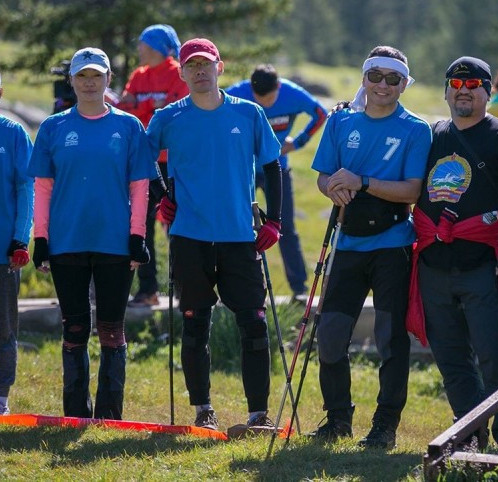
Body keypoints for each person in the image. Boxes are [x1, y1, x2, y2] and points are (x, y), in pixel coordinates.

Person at [146, 37, 283, 434]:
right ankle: (203, 410)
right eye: (192, 66)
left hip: (241, 236)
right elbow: (143, 159)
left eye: (206, 64)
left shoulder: (250, 113)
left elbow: (273, 166)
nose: (200, 71)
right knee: (194, 326)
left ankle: (259, 414)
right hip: (190, 238)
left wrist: (274, 220)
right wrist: (161, 197)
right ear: (182, 72)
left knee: (254, 327)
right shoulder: (169, 117)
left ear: (220, 67)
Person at [309, 46, 431, 450]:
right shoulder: (341, 121)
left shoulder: (416, 129)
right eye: (375, 76)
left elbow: (413, 191)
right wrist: (333, 187)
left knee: (390, 340)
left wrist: (360, 181)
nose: (382, 85)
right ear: (364, 78)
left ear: (404, 84)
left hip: (393, 246)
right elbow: (323, 177)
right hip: (348, 244)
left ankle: (384, 427)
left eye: (392, 79)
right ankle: (337, 420)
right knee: (330, 335)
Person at [414, 56, 498, 448]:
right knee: (451, 358)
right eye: (456, 84)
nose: (463, 92)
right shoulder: (433, 134)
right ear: (446, 89)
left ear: (488, 91)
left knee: (494, 355)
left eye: (473, 86)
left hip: (484, 264)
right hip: (434, 264)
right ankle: (466, 432)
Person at [29, 48, 156, 419]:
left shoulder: (129, 126)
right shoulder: (54, 127)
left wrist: (137, 237)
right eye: (82, 76)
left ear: (108, 80)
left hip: (115, 242)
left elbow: (140, 187)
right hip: (67, 241)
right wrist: (41, 238)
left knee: (112, 330)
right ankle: (75, 413)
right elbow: (43, 187)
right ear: (71, 80)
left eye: (96, 76)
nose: (89, 82)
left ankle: (110, 414)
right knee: (75, 328)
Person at [226, 64, 328, 298]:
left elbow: (320, 113)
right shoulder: (236, 94)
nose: (264, 104)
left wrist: (299, 142)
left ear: (278, 87)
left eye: (270, 98)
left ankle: (299, 289)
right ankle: (238, 287)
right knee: (238, 227)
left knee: (286, 229)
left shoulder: (292, 94)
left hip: (279, 169)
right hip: (245, 172)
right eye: (259, 99)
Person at [116, 24, 188, 307]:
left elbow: (171, 112)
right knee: (141, 224)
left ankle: (183, 287)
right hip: (145, 159)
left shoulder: (177, 72)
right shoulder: (139, 75)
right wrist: (149, 105)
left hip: (173, 162)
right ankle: (148, 290)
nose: (139, 49)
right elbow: (124, 108)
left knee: (176, 224)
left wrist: (140, 106)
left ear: (157, 47)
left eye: (143, 44)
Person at [0, 71, 34, 416]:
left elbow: (27, 188)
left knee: (4, 328)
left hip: (3, 250)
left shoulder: (13, 134)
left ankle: (1, 397)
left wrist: (20, 238)